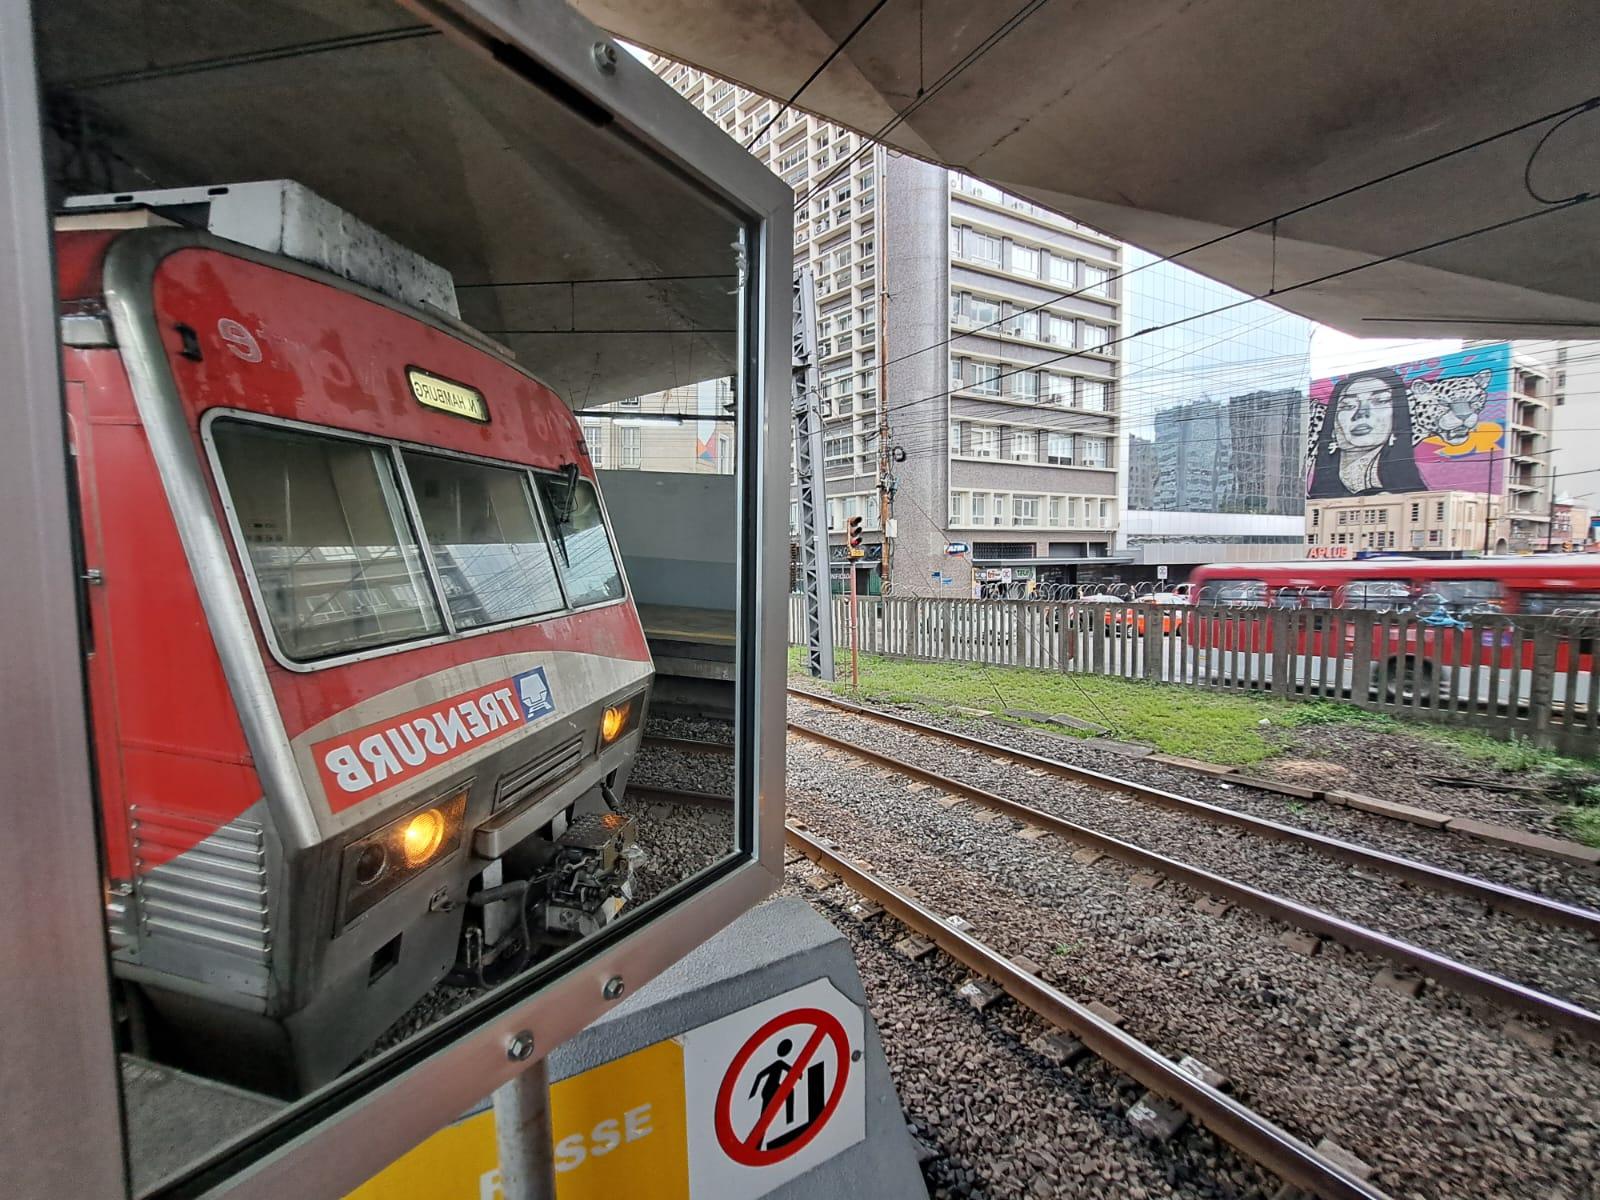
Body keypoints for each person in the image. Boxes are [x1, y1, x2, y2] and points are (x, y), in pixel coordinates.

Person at [1307, 367, 1428, 498]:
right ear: (1334, 421)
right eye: (1348, 406)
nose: (1361, 414)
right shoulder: (1312, 491)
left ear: (1397, 416)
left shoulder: (1416, 495)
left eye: (1380, 401)